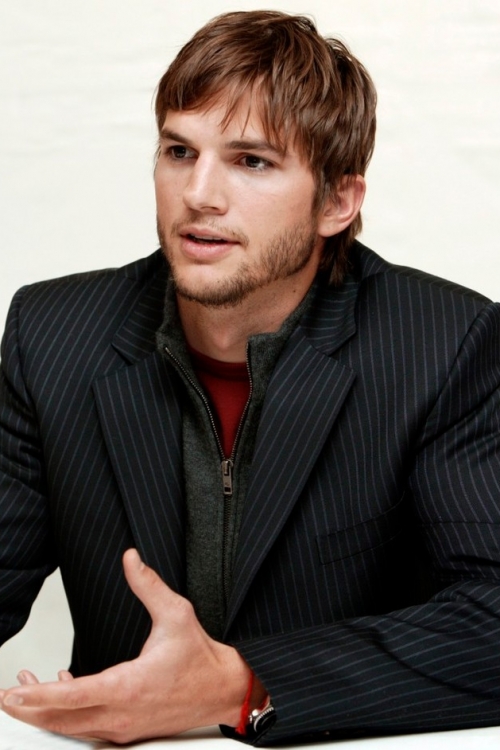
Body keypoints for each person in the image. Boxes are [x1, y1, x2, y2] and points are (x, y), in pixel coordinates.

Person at [1, 8, 500, 746]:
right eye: (179, 150)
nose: (199, 193)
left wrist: (243, 685)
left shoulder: (444, 344)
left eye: (252, 161)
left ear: (337, 202)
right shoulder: (51, 335)